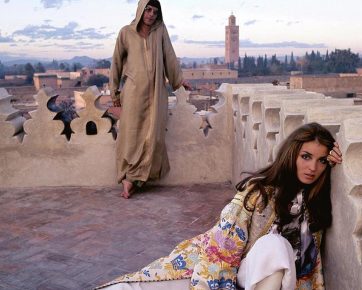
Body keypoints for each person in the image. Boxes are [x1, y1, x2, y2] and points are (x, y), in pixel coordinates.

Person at [96, 122, 343, 290]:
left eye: (322, 161)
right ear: (292, 155)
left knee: (276, 246)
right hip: (218, 273)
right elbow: (221, 247)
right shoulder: (259, 192)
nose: (313, 168)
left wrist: (338, 165)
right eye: (306, 157)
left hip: (260, 279)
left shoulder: (314, 209)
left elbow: (307, 271)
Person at [110, 0, 191, 198]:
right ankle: (128, 178)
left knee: (153, 135)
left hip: (156, 93)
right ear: (140, 10)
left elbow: (169, 56)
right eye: (148, 10)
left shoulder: (160, 31)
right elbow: (116, 63)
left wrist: (179, 80)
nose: (151, 15)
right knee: (132, 135)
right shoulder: (126, 33)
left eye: (155, 11)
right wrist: (114, 93)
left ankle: (138, 180)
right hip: (133, 94)